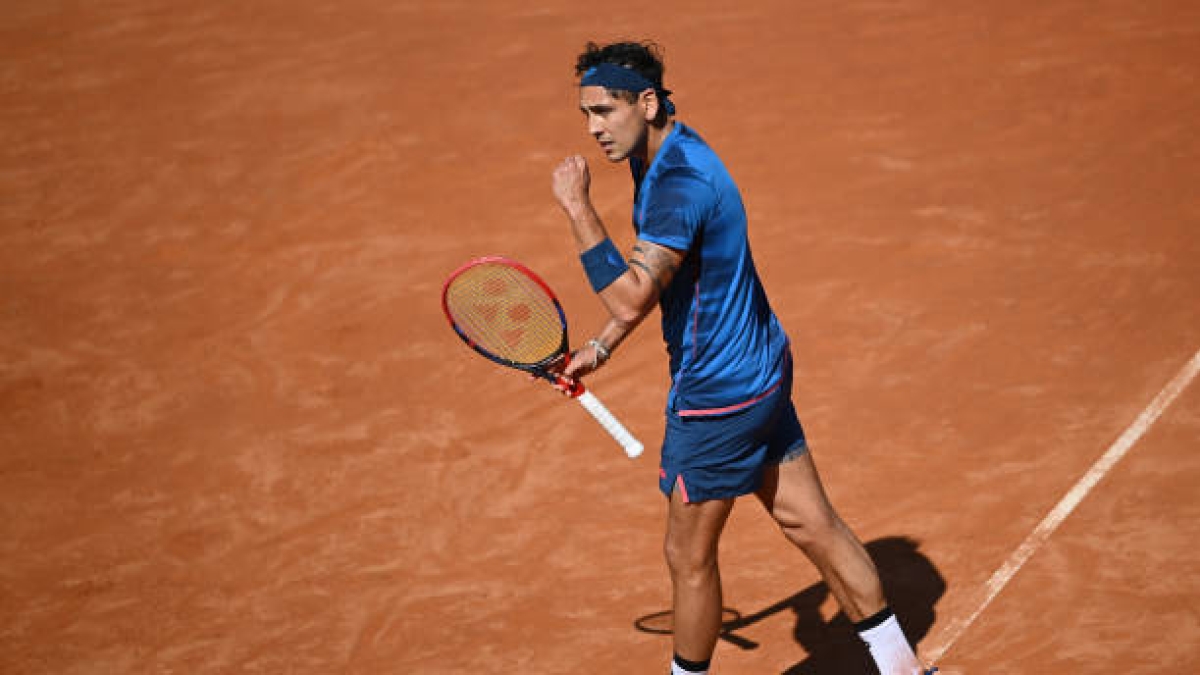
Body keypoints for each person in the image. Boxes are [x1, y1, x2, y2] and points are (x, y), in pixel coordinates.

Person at [549, 41, 934, 675]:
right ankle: (903, 669)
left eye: (603, 111)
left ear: (645, 104)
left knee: (688, 557)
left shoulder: (676, 184)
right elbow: (663, 284)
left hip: (718, 396)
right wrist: (601, 345)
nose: (593, 129)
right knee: (812, 522)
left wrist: (577, 209)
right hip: (760, 370)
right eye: (585, 115)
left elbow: (634, 289)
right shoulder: (674, 152)